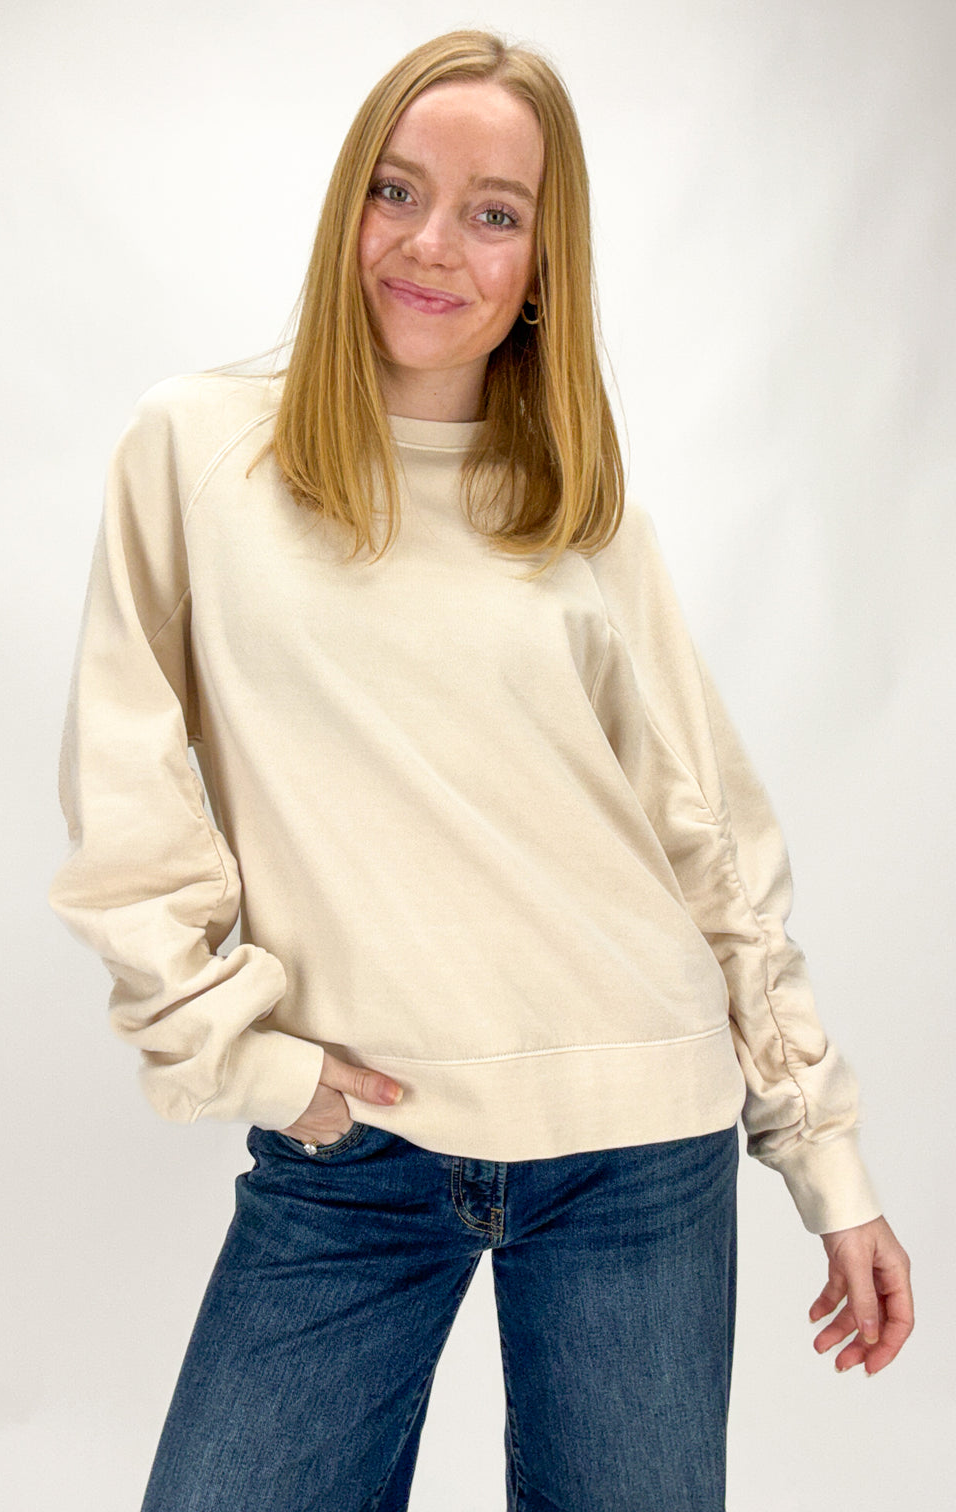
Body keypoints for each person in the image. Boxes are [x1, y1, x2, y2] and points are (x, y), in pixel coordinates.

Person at [48, 28, 913, 1512]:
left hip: (637, 1144)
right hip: (351, 1144)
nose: (432, 243)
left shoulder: (577, 513)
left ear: (541, 270)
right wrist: (257, 1063)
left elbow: (711, 838)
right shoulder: (192, 452)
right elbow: (127, 807)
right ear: (348, 211)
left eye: (494, 212)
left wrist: (828, 1164)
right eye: (397, 190)